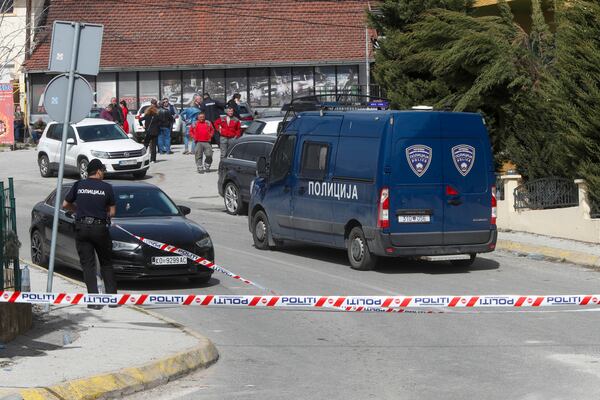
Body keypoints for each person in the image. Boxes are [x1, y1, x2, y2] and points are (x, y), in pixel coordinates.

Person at [62, 159, 117, 309]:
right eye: (103, 171)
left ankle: (93, 301)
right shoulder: (107, 187)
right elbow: (112, 212)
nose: (103, 174)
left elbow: (65, 204)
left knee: (88, 265)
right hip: (99, 229)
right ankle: (111, 299)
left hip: (82, 227)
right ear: (98, 171)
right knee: (106, 263)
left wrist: (79, 211)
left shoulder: (78, 185)